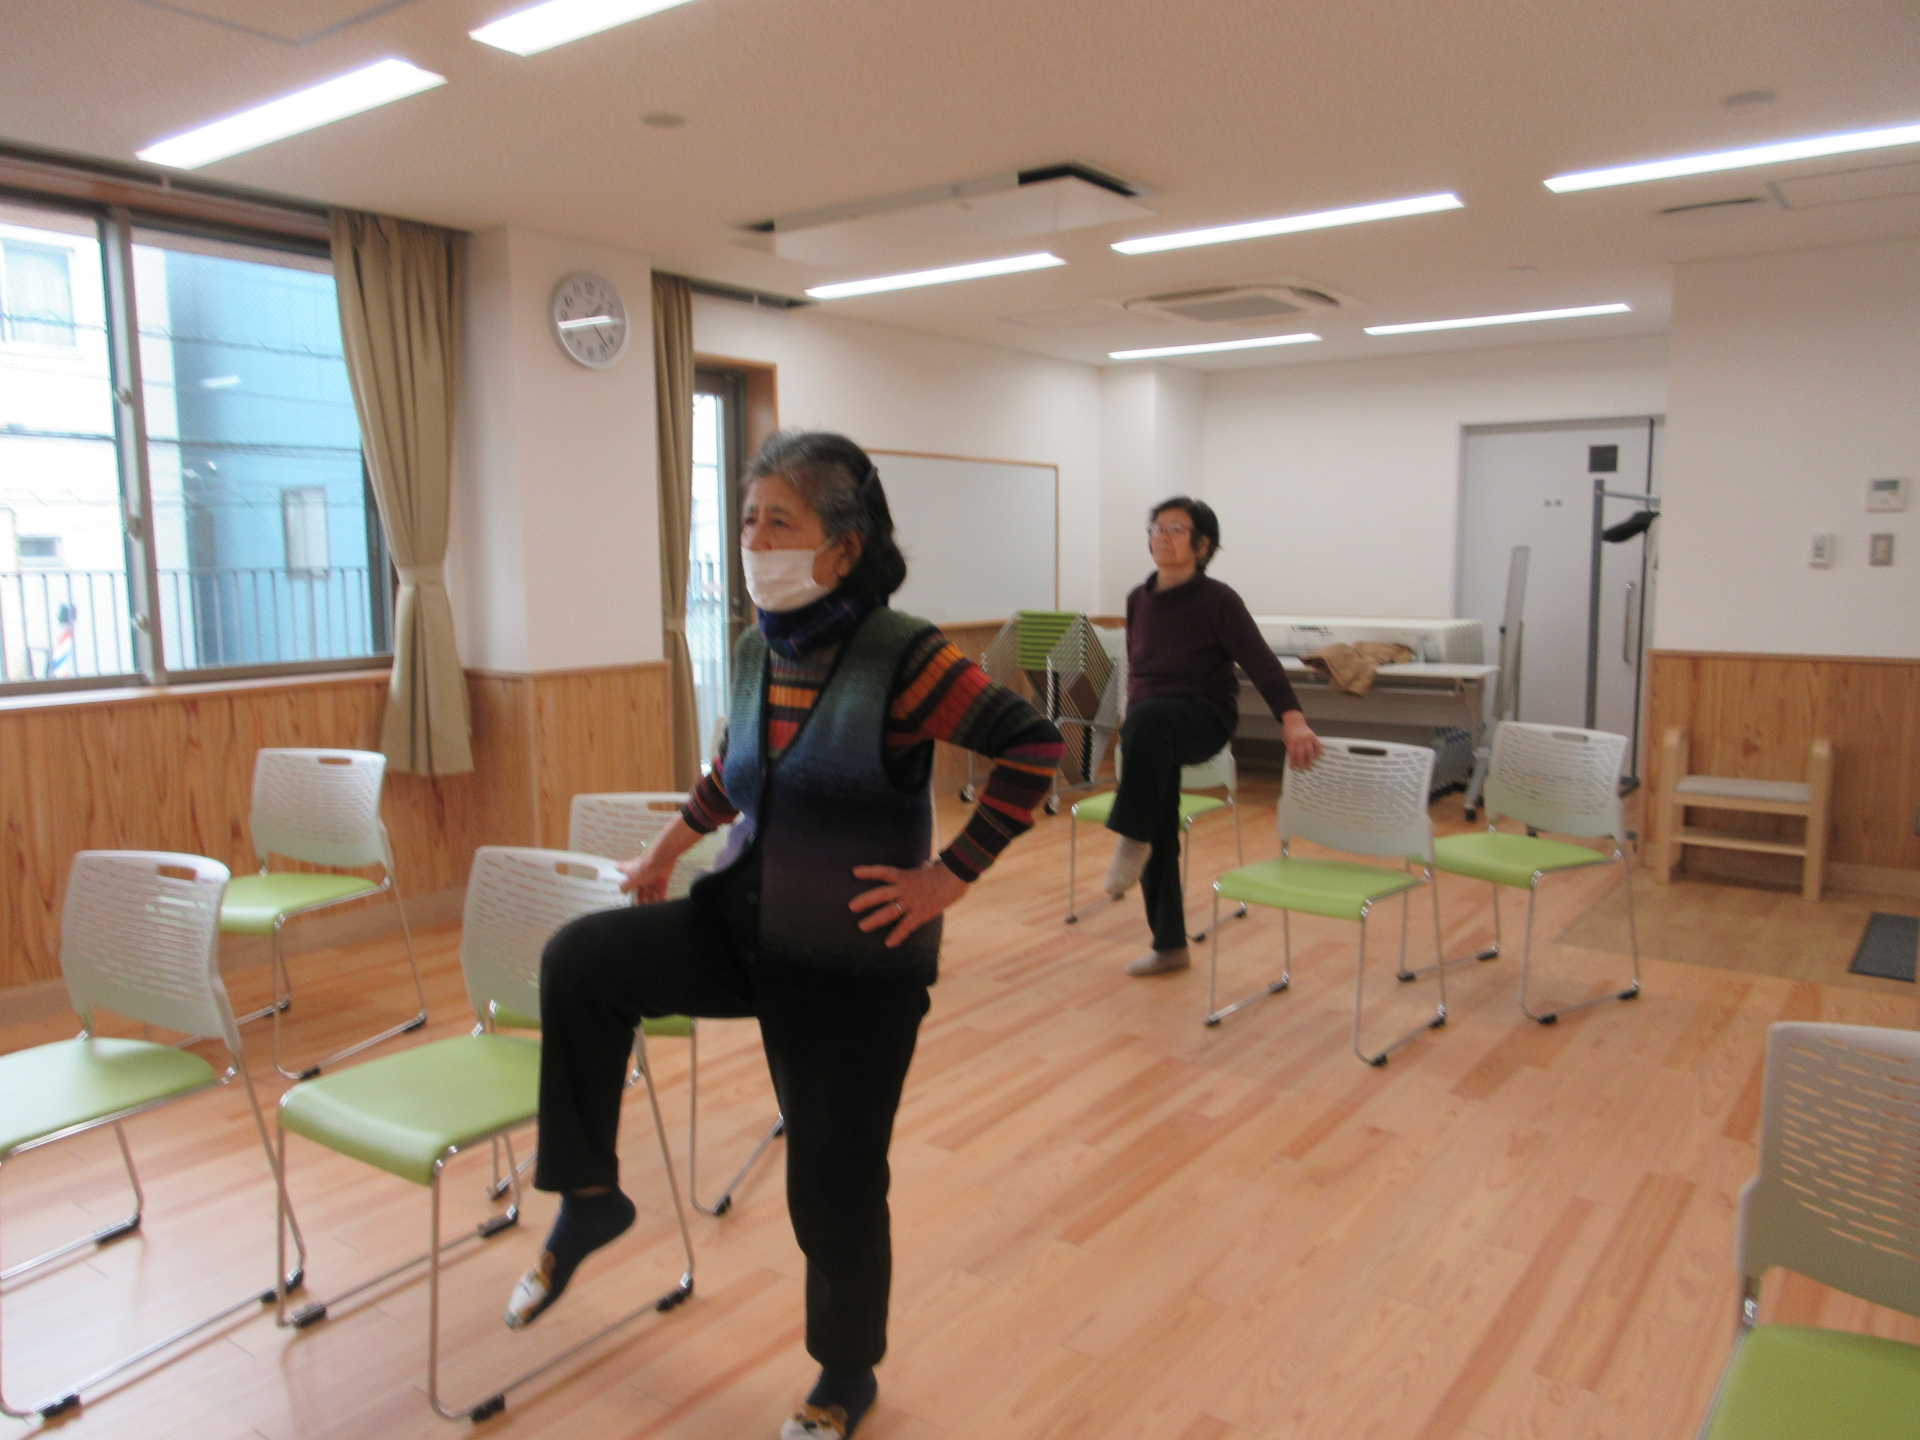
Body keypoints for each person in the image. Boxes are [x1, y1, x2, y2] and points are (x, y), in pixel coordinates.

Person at [510, 430, 1063, 1440]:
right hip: (742, 924)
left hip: (852, 964)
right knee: (581, 962)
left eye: (780, 522)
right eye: (747, 520)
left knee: (831, 1182)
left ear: (843, 548)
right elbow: (733, 774)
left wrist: (949, 876)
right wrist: (665, 851)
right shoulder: (756, 647)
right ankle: (589, 1195)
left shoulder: (906, 656)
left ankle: (844, 1373)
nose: (755, 541)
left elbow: (1033, 748)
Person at [1104, 496, 1323, 975]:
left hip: (1204, 716)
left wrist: (1292, 718)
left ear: (1203, 545)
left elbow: (1260, 661)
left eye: (1175, 529)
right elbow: (1138, 673)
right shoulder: (1138, 599)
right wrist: (1131, 725)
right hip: (1152, 726)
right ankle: (1170, 946)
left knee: (1148, 732)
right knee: (1160, 818)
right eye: (1156, 528)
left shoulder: (1218, 600)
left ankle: (1131, 836)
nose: (1161, 537)